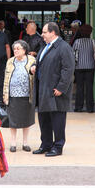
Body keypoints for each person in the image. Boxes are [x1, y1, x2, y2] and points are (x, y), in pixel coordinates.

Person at [31, 22, 75, 157]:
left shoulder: (63, 47)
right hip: (43, 89)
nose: (42, 35)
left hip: (56, 91)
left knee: (58, 121)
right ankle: (46, 144)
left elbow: (68, 69)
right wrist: (33, 67)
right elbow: (39, 62)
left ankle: (58, 146)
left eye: (44, 32)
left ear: (53, 33)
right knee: (44, 119)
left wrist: (62, 87)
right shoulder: (45, 46)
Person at [3, 40, 36, 152]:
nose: (15, 51)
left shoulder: (31, 60)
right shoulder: (10, 61)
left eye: (18, 49)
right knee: (13, 120)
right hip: (12, 94)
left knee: (26, 119)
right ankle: (13, 143)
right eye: (14, 49)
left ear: (24, 50)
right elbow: (6, 79)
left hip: (27, 94)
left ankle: (25, 143)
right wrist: (5, 94)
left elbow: (35, 74)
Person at [73, 24, 95, 113]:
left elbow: (73, 53)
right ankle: (90, 108)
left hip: (78, 67)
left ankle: (78, 107)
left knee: (79, 87)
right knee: (89, 88)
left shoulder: (77, 42)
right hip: (90, 67)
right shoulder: (92, 42)